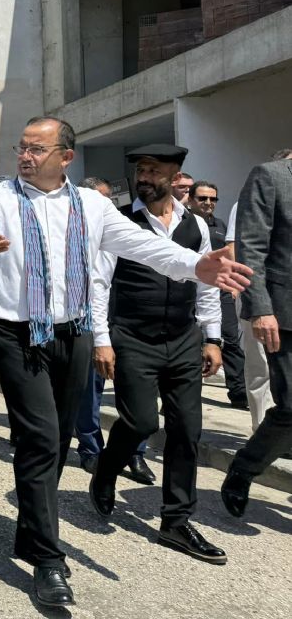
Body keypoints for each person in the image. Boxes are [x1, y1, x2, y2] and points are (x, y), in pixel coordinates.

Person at [0, 116, 250, 608]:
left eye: (36, 149)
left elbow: (143, 247)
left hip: (73, 335)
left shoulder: (92, 205)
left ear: (65, 157)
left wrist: (196, 266)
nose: (24, 156)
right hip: (14, 334)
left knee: (59, 441)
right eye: (20, 148)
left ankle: (31, 531)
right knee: (43, 439)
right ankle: (48, 558)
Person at [88, 145, 226, 564]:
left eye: (154, 170)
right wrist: (102, 339)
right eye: (140, 170)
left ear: (175, 175)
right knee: (141, 421)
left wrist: (213, 337)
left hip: (184, 337)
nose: (144, 177)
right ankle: (107, 471)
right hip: (132, 336)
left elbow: (207, 281)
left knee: (187, 429)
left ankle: (176, 521)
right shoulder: (121, 222)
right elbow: (99, 282)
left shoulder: (197, 226)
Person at [221, 154, 292, 518]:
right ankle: (245, 467)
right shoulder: (272, 176)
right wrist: (261, 308)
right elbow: (251, 247)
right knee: (291, 406)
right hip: (285, 314)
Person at [73, 177, 153, 483]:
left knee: (136, 394)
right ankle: (91, 449)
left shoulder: (127, 229)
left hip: (130, 324)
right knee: (89, 392)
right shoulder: (76, 234)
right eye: (98, 200)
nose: (105, 205)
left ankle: (135, 453)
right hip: (91, 324)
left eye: (109, 199)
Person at [187, 180, 247, 409]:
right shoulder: (183, 226)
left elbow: (230, 256)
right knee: (191, 345)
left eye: (213, 199)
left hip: (221, 293)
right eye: (202, 198)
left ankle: (239, 393)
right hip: (191, 292)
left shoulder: (222, 226)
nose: (208, 203)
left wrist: (231, 285)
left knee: (231, 341)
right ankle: (185, 394)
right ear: (191, 200)